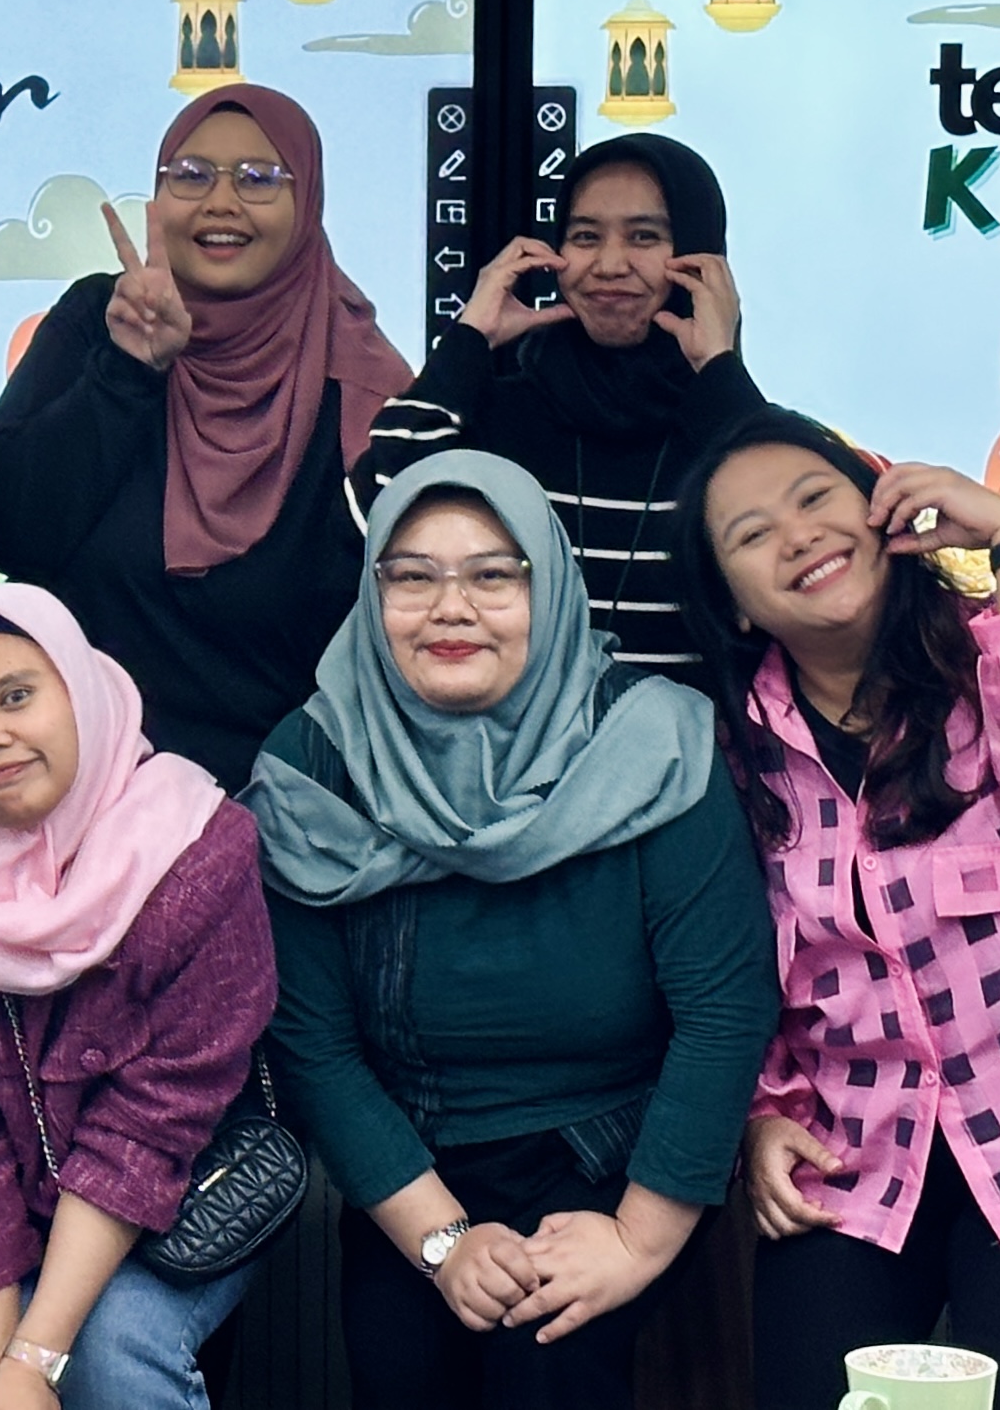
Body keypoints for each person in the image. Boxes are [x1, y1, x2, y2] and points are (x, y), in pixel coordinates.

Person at [247, 450, 774, 1409]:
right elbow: (312, 1043)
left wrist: (636, 1239)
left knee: (553, 1365)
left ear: (550, 585)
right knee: (401, 1369)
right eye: (412, 576)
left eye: (493, 575)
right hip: (410, 1161)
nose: (450, 608)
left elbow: (724, 1008)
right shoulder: (313, 763)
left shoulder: (654, 741)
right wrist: (444, 1242)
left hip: (617, 1153)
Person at [683, 410, 1000, 1410]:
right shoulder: (729, 752)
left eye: (816, 497)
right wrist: (765, 1113)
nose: (798, 535)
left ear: (883, 511)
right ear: (732, 602)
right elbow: (732, 962)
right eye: (752, 533)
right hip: (854, 1151)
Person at [0, 583, 272, 1410]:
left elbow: (154, 1122)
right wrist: (0, 1378)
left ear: (80, 690)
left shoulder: (196, 846)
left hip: (170, 1178)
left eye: (15, 696)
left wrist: (32, 1362)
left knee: (115, 1355)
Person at [0, 84, 414, 788]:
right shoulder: (103, 321)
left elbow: (385, 637)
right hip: (84, 797)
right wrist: (127, 370)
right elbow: (6, 529)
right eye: (192, 175)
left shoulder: (358, 388)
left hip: (282, 811)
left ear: (307, 204)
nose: (220, 202)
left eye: (258, 178)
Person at [354, 136, 761, 681]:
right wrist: (470, 339)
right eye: (585, 236)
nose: (609, 265)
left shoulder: (728, 429)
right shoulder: (496, 415)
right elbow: (370, 520)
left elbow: (794, 546)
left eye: (645, 236)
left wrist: (719, 368)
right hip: (509, 737)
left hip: (690, 736)